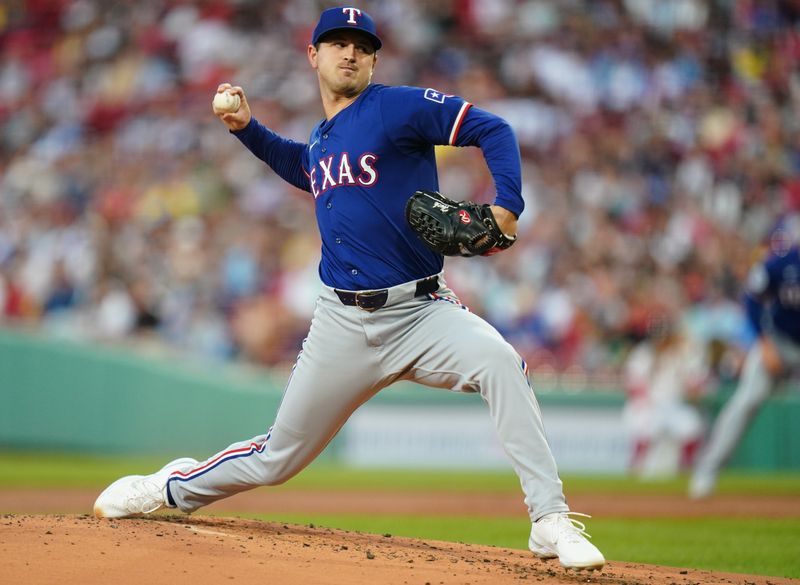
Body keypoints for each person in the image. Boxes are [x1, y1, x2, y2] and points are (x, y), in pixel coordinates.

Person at [93, 7, 605, 570]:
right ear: (313, 56)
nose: (350, 52)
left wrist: (507, 205)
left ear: (374, 58)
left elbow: (493, 128)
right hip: (342, 323)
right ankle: (169, 489)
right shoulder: (325, 137)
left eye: (361, 44)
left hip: (421, 312)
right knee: (276, 460)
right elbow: (305, 167)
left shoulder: (395, 107)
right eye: (336, 43)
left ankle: (549, 518)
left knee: (501, 363)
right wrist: (247, 130)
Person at [689, 224, 800, 498]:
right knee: (746, 401)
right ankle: (706, 471)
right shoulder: (783, 263)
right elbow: (752, 298)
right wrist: (763, 342)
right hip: (779, 343)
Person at [622, 308, 708, 479]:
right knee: (644, 431)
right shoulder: (643, 353)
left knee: (692, 428)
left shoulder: (682, 352)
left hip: (675, 405)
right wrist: (644, 398)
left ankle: (685, 470)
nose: (660, 340)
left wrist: (694, 388)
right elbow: (632, 384)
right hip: (651, 405)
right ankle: (635, 471)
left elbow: (695, 381)